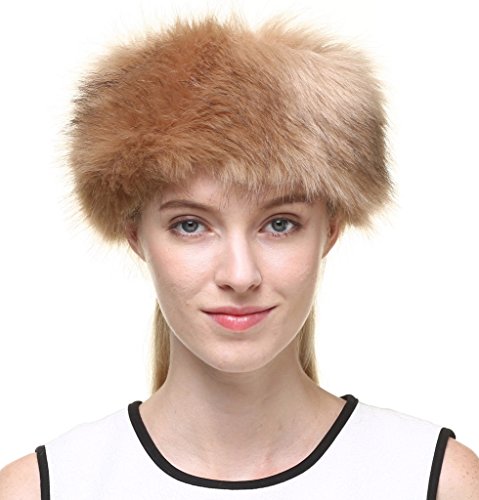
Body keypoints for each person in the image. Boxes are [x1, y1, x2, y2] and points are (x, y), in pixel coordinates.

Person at [1, 12, 478, 499]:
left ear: (330, 230)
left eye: (279, 224)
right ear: (134, 235)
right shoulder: (44, 487)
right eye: (190, 225)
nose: (240, 274)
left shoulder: (435, 479)